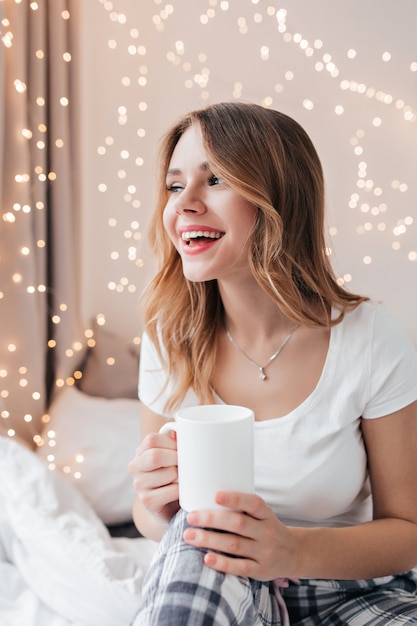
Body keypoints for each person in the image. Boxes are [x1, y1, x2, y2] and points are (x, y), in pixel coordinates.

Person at [128, 102, 417, 625]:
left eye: (214, 180)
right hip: (215, 569)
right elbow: (152, 523)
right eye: (174, 186)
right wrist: (153, 506)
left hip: (349, 587)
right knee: (200, 538)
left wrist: (290, 552)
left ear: (278, 198)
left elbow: (409, 531)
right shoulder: (169, 334)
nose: (184, 205)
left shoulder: (369, 338)